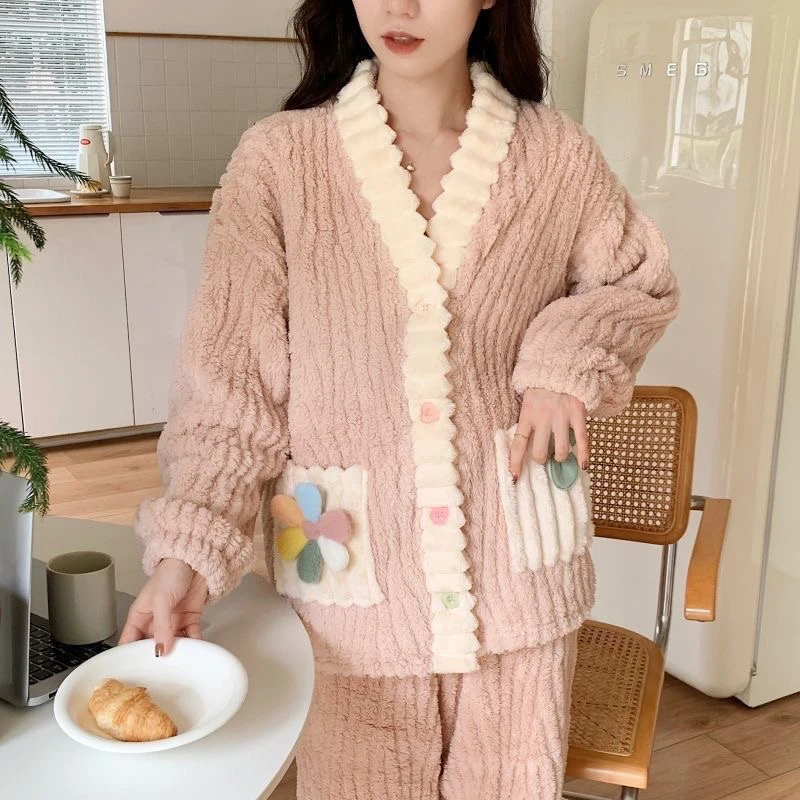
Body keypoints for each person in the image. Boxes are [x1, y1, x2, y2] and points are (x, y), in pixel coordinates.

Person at [119, 1, 680, 797]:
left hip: (517, 589)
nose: (399, 6)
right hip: (352, 600)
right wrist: (187, 555)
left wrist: (564, 359)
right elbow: (229, 391)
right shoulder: (280, 163)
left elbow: (638, 281)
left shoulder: (557, 156)